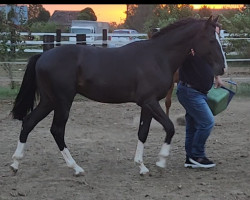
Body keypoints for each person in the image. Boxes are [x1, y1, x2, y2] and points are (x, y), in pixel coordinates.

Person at [176, 26, 225, 168]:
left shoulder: (205, 50)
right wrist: (186, 52)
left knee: (193, 125)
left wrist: (217, 77)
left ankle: (190, 158)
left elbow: (211, 64)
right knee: (207, 122)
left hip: (199, 93)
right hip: (190, 92)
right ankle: (198, 155)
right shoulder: (189, 49)